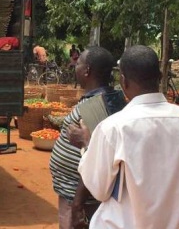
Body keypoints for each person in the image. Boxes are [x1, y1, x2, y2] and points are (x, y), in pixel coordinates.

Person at [71, 45, 179, 229]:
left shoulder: (114, 128)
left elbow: (99, 189)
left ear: (123, 81)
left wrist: (86, 144)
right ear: (161, 77)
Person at [49, 47, 126, 229]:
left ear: (87, 70)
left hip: (80, 198)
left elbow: (96, 158)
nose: (75, 66)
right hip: (76, 193)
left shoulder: (96, 106)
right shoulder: (105, 98)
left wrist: (77, 206)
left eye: (79, 62)